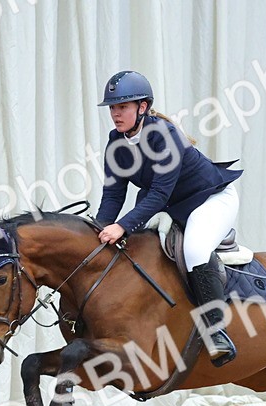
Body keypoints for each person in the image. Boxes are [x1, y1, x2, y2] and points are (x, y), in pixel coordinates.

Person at [94, 70, 243, 367]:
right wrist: (97, 232)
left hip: (210, 200)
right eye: (112, 107)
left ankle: (217, 331)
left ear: (143, 107)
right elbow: (113, 196)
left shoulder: (164, 136)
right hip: (172, 206)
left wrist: (122, 226)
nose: (115, 114)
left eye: (122, 107)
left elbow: (158, 195)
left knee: (195, 250)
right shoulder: (116, 144)